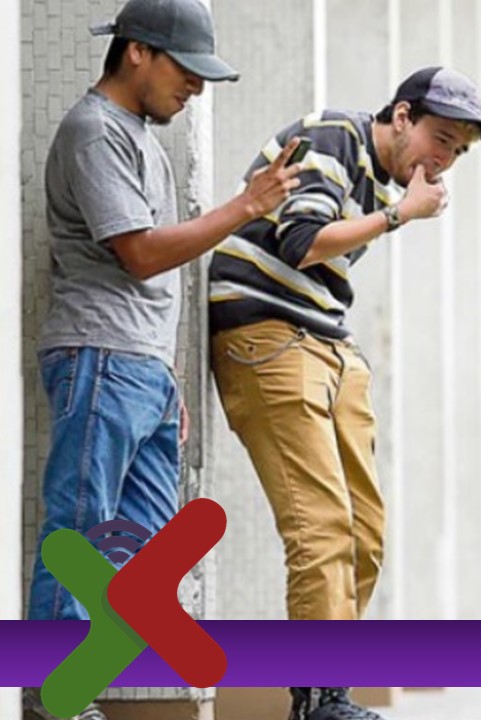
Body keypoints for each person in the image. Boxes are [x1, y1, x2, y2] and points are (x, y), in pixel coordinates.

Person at [26, 0, 297, 718]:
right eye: (187, 70)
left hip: (141, 368)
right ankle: (52, 697)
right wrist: (245, 207)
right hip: (100, 355)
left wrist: (167, 375)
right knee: (80, 528)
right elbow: (141, 254)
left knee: (143, 561)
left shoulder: (140, 136)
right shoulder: (94, 131)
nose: (196, 87)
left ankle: (70, 690)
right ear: (137, 51)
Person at [206, 66, 481, 720]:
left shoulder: (378, 174)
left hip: (327, 340)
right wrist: (397, 215)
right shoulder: (334, 135)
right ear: (402, 115)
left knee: (364, 530)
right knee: (321, 526)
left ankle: (325, 689)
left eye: (457, 151)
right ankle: (321, 697)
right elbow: (301, 242)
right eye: (439, 138)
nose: (443, 160)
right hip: (268, 334)